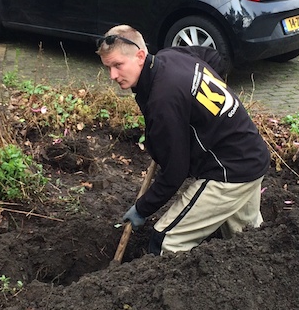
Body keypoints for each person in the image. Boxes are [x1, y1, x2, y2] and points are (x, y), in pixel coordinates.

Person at [96, 25, 270, 255]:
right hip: (252, 153)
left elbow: (175, 171)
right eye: (108, 67)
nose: (112, 76)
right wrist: (197, 106)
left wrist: (142, 208)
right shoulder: (173, 55)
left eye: (118, 65)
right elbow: (213, 58)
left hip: (229, 171)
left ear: (140, 56)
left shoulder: (163, 100)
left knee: (165, 241)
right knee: (247, 239)